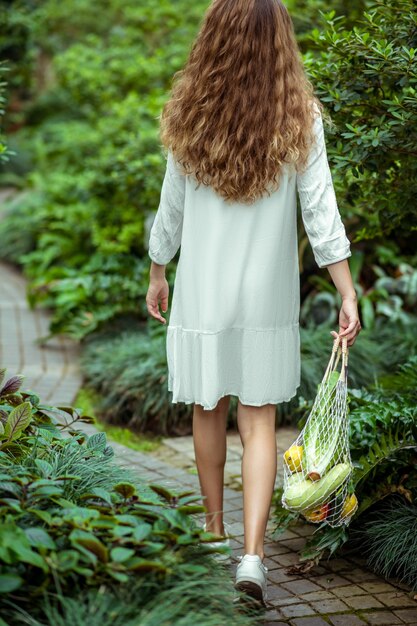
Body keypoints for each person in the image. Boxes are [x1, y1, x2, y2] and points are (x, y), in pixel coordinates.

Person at [146, 0, 361, 607]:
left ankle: (213, 535)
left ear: (214, 37)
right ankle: (253, 557)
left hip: (204, 288)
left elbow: (173, 211)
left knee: (207, 407)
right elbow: (322, 214)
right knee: (260, 419)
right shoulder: (302, 117)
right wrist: (346, 289)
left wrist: (158, 268)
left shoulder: (190, 115)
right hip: (266, 293)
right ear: (280, 42)